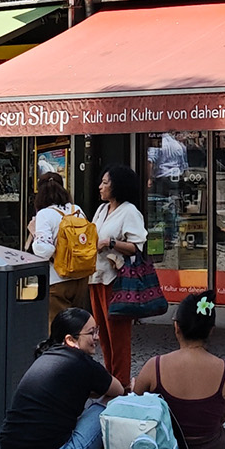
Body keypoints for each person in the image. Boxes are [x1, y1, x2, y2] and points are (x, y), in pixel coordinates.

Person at [0, 308, 127, 449]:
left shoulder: (43, 358)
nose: (96, 337)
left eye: (97, 331)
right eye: (91, 333)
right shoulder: (82, 362)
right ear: (70, 340)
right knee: (110, 402)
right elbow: (118, 390)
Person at [132, 289, 225, 449]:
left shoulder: (154, 366)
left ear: (176, 327)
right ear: (211, 330)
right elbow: (220, 417)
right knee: (224, 437)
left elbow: (135, 411)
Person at [90, 165, 147, 387]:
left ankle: (120, 384)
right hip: (96, 276)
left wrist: (111, 243)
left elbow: (136, 246)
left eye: (106, 182)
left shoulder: (130, 211)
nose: (101, 186)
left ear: (118, 186)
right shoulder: (102, 210)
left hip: (117, 280)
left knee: (118, 337)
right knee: (102, 335)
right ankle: (108, 381)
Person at [28, 172, 89, 326]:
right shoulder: (77, 210)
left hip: (58, 279)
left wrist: (34, 232)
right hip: (81, 276)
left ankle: (60, 350)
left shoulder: (45, 214)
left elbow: (44, 250)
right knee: (77, 325)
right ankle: (77, 349)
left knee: (57, 326)